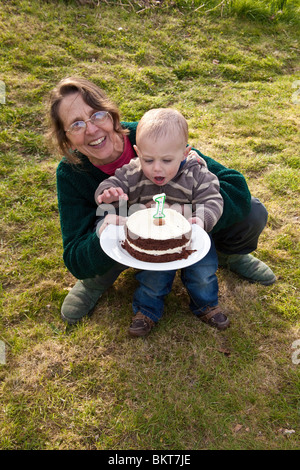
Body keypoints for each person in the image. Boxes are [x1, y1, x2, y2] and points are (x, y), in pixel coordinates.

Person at [47, 77, 276, 326]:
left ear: (111, 116)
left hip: (183, 222)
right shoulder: (71, 173)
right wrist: (109, 231)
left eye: (97, 115)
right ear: (67, 139)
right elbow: (74, 255)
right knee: (102, 237)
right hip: (121, 238)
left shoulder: (152, 134)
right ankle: (97, 281)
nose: (91, 129)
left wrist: (181, 218)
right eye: (76, 124)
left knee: (253, 211)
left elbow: (235, 188)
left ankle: (231, 254)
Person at [95, 108, 228, 336]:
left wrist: (201, 219)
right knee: (152, 277)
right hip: (152, 245)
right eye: (148, 159)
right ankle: (147, 311)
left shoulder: (196, 175)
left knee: (203, 273)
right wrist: (109, 193)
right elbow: (111, 183)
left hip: (190, 237)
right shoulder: (131, 173)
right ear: (137, 152)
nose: (157, 168)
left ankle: (205, 304)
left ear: (185, 153)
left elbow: (213, 199)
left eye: (167, 160)